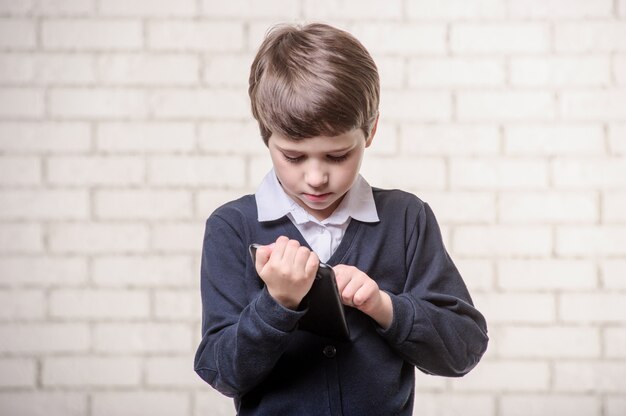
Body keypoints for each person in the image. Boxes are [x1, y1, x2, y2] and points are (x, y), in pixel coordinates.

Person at [194, 22, 488, 416]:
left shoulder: (405, 219)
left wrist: (384, 306)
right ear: (267, 136)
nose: (315, 177)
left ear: (370, 131)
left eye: (337, 156)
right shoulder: (231, 227)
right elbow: (222, 371)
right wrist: (277, 302)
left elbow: (462, 349)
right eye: (294, 157)